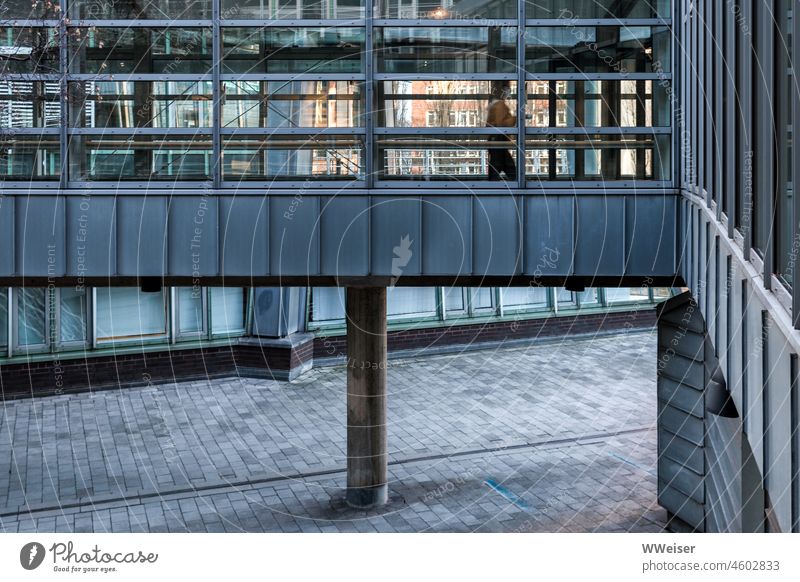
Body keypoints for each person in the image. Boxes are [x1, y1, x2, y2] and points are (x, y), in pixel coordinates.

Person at [486, 81, 517, 180]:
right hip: (499, 139)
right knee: (504, 164)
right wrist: (516, 118)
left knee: (501, 164)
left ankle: (512, 181)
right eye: (507, 88)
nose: (509, 91)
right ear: (502, 90)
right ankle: (516, 183)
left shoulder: (495, 104)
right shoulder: (500, 105)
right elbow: (501, 124)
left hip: (495, 139)